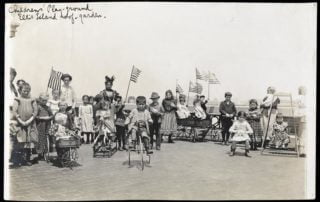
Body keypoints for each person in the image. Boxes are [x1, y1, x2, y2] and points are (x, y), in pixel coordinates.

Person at [12, 82, 39, 166]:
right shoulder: (17, 99)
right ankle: (20, 158)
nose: (26, 92)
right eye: (24, 91)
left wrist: (29, 121)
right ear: (20, 90)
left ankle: (28, 158)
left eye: (28, 91)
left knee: (29, 141)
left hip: (30, 123)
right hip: (20, 124)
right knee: (20, 141)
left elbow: (35, 111)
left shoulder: (33, 100)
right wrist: (21, 121)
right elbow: (14, 111)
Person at [35, 93, 53, 160]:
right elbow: (35, 116)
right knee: (40, 138)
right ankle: (40, 153)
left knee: (46, 137)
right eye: (43, 100)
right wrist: (41, 118)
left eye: (45, 100)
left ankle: (45, 152)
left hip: (47, 124)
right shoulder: (38, 107)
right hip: (40, 124)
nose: (44, 102)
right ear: (39, 100)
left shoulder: (48, 107)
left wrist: (48, 118)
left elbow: (52, 115)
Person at [296, 86, 306, 157]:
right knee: (303, 134)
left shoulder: (299, 98)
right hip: (303, 116)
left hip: (301, 116)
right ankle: (301, 151)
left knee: (301, 134)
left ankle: (300, 150)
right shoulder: (301, 97)